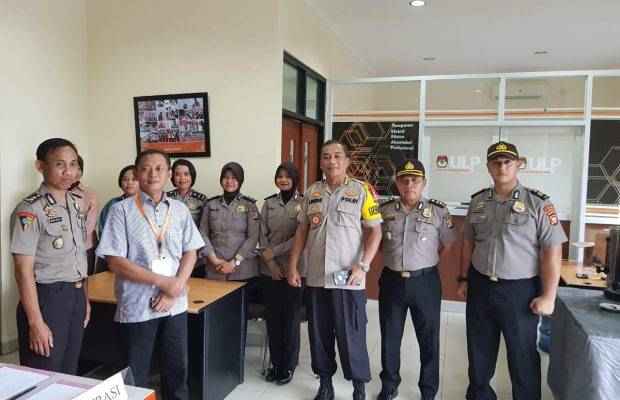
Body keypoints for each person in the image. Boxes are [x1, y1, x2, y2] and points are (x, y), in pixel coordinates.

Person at [458, 141, 567, 400]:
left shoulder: (539, 203)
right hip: (481, 286)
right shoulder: (478, 202)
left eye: (508, 162)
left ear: (518, 164)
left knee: (522, 356)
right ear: (488, 167)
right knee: (479, 352)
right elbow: (468, 243)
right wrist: (463, 278)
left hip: (520, 291)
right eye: (496, 162)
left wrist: (549, 296)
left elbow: (552, 250)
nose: (502, 167)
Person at [96, 149, 204, 400]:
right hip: (137, 304)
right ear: (137, 173)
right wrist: (164, 282)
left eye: (159, 168)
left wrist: (174, 288)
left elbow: (191, 250)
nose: (152, 174)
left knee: (177, 372)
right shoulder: (121, 210)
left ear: (168, 173)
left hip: (175, 305)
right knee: (136, 376)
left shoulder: (179, 209)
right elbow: (115, 261)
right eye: (145, 168)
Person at [288, 140, 382, 400]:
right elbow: (302, 231)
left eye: (337, 156)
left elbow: (375, 230)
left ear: (347, 161)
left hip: (348, 278)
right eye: (326, 156)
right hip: (317, 277)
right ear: (320, 162)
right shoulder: (312, 192)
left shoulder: (361, 190)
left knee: (351, 334)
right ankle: (325, 384)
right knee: (319, 334)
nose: (332, 161)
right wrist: (293, 266)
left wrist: (363, 265)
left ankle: (358, 388)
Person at [377, 159, 456, 400]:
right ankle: (389, 385)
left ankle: (428, 390)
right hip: (392, 281)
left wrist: (426, 261)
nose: (409, 184)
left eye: (415, 180)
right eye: (404, 180)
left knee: (429, 339)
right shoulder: (385, 210)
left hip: (425, 282)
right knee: (390, 337)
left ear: (423, 183)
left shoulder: (438, 211)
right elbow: (377, 243)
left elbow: (448, 244)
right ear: (397, 183)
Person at [10, 138, 89, 374]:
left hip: (75, 295)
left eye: (73, 164)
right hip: (47, 299)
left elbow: (79, 257)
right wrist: (35, 322)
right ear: (40, 166)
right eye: (60, 164)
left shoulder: (75, 203)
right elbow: (23, 270)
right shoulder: (30, 209)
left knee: (69, 371)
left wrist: (84, 299)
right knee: (44, 372)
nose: (68, 171)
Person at [259, 161, 304, 385]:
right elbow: (261, 234)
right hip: (270, 271)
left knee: (291, 319)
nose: (283, 180)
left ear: (295, 179)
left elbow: (301, 236)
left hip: (294, 270)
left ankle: (288, 366)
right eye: (280, 176)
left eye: (287, 176)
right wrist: (271, 264)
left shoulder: (304, 202)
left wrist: (274, 253)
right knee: (273, 319)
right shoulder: (268, 204)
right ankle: (275, 364)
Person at [199, 162, 261, 297]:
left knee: (240, 307)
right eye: (226, 177)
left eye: (234, 178)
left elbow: (253, 237)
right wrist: (214, 260)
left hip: (242, 270)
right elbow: (203, 233)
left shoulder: (249, 205)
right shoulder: (211, 204)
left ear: (240, 180)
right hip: (215, 268)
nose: (229, 181)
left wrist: (234, 262)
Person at [70, 155, 98, 275]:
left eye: (74, 166)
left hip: (84, 247)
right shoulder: (54, 194)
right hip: (58, 250)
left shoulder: (89, 194)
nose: (70, 171)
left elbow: (90, 225)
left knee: (85, 281)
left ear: (80, 172)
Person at [98, 165, 139, 238]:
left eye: (134, 179)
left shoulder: (148, 204)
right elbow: (103, 230)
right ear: (120, 182)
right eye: (125, 179)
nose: (129, 182)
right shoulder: (112, 204)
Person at [167, 159, 207, 229]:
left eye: (186, 174)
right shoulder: (166, 198)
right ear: (172, 177)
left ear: (192, 176)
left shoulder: (201, 199)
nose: (182, 178)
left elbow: (205, 226)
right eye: (177, 174)